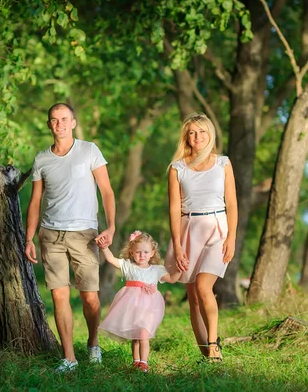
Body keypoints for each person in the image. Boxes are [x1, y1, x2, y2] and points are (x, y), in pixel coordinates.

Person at [24, 103, 116, 373]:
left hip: (84, 235)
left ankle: (93, 343)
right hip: (50, 235)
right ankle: (69, 357)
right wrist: (29, 238)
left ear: (73, 123)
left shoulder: (89, 150)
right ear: (49, 125)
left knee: (90, 298)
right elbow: (35, 202)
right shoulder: (42, 159)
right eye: (54, 120)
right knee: (59, 296)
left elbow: (107, 191)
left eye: (64, 119)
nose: (59, 124)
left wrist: (110, 227)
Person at [164, 112, 237, 362]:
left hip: (218, 229)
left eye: (202, 131)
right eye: (192, 132)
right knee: (194, 296)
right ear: (186, 136)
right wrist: (177, 244)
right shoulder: (177, 168)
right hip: (189, 229)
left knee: (205, 286)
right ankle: (205, 353)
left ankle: (214, 345)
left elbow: (232, 204)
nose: (197, 137)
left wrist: (232, 238)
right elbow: (174, 208)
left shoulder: (223, 163)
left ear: (210, 134)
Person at [95, 230, 182, 373]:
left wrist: (180, 269)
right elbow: (111, 260)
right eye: (138, 252)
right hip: (131, 305)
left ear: (153, 253)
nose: (142, 255)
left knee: (143, 334)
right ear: (131, 252)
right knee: (136, 337)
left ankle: (144, 362)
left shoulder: (157, 269)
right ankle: (136, 361)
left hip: (149, 307)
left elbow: (172, 279)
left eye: (146, 252)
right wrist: (104, 248)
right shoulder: (128, 265)